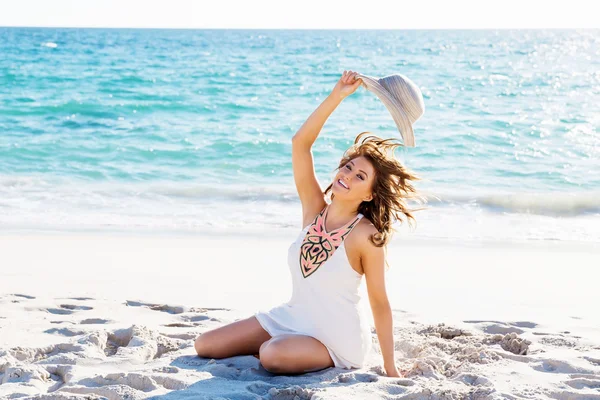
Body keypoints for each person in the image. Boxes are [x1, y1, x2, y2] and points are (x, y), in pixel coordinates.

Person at [194, 70, 424, 378]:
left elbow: (379, 302)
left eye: (359, 177)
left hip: (336, 338)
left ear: (370, 193)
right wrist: (337, 95)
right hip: (291, 318)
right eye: (348, 166)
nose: (347, 175)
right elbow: (300, 144)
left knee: (271, 355)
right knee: (204, 345)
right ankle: (289, 345)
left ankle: (299, 351)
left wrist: (390, 365)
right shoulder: (315, 210)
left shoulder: (366, 236)